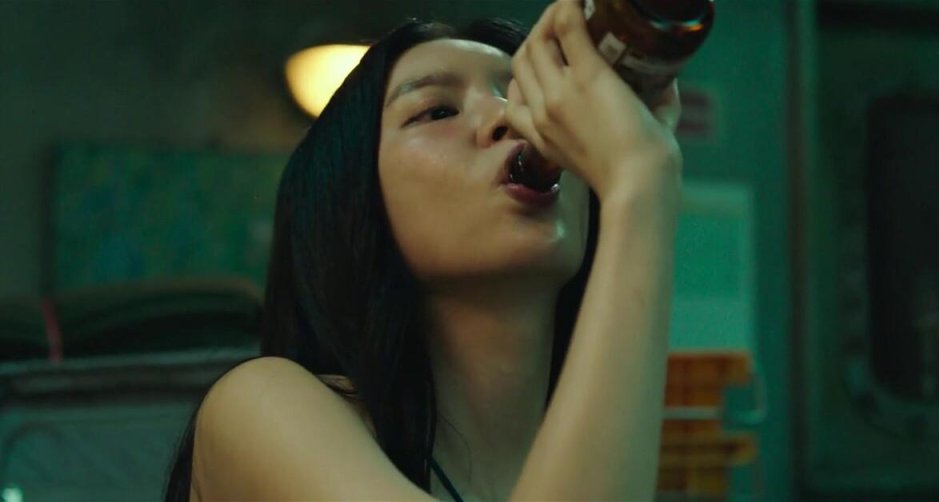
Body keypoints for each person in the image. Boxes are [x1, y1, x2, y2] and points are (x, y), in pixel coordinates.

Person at [162, 0, 683, 500]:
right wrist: (641, 183)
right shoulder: (260, 406)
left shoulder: (620, 460)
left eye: (527, 101)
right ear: (354, 200)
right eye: (437, 111)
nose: (511, 119)